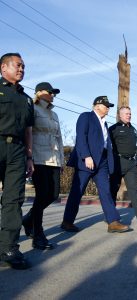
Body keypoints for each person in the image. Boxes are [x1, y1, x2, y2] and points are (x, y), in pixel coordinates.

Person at [61, 96, 131, 233]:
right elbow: (81, 137)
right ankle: (67, 222)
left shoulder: (104, 123)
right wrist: (86, 156)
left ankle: (113, 222)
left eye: (109, 106)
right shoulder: (86, 117)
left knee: (106, 191)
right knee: (77, 192)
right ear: (96, 106)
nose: (108, 108)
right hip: (86, 161)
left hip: (102, 163)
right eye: (106, 105)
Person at [0, 53, 34, 269]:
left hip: (18, 151)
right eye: (18, 65)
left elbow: (29, 129)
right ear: (4, 67)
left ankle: (8, 248)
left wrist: (29, 157)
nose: (22, 69)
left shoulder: (27, 99)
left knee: (14, 199)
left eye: (23, 66)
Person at [22, 82, 64, 250]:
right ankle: (38, 235)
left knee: (53, 195)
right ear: (39, 93)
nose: (53, 95)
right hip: (39, 158)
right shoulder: (32, 108)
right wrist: (29, 157)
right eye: (50, 92)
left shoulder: (54, 114)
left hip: (54, 159)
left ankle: (28, 219)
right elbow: (28, 133)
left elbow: (59, 138)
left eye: (54, 93)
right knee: (41, 196)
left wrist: (61, 159)